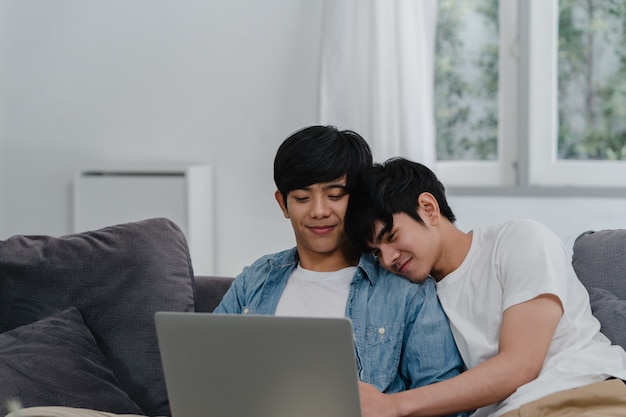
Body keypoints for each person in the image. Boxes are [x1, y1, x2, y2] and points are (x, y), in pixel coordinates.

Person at [344, 156, 626, 417]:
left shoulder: (519, 239)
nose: (389, 258)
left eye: (392, 236)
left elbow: (520, 365)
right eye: (377, 252)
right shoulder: (421, 300)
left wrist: (393, 405)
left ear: (429, 209)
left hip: (582, 395)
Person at [215, 126, 467, 411]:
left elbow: (445, 401)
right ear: (283, 204)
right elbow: (207, 372)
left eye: (334, 196)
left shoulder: (404, 288)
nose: (319, 211)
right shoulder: (256, 279)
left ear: (357, 200)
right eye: (301, 198)